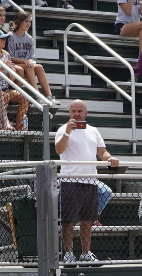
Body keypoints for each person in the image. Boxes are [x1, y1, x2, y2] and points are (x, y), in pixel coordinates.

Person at [55, 100, 119, 265]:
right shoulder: (62, 129)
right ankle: (68, 254)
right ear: (69, 112)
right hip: (70, 180)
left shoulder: (93, 130)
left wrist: (110, 158)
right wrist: (68, 132)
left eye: (80, 111)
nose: (76, 114)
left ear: (86, 113)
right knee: (68, 220)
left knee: (88, 220)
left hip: (91, 181)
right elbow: (59, 150)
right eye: (73, 111)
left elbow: (102, 151)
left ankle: (85, 253)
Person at [7, 12, 54, 101]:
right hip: (13, 65)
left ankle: (49, 96)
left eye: (29, 21)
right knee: (29, 67)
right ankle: (37, 95)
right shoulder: (11, 36)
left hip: (25, 65)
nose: (28, 24)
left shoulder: (29, 38)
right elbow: (10, 57)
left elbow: (30, 57)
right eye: (26, 21)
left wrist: (28, 61)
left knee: (39, 67)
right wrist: (25, 61)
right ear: (19, 22)